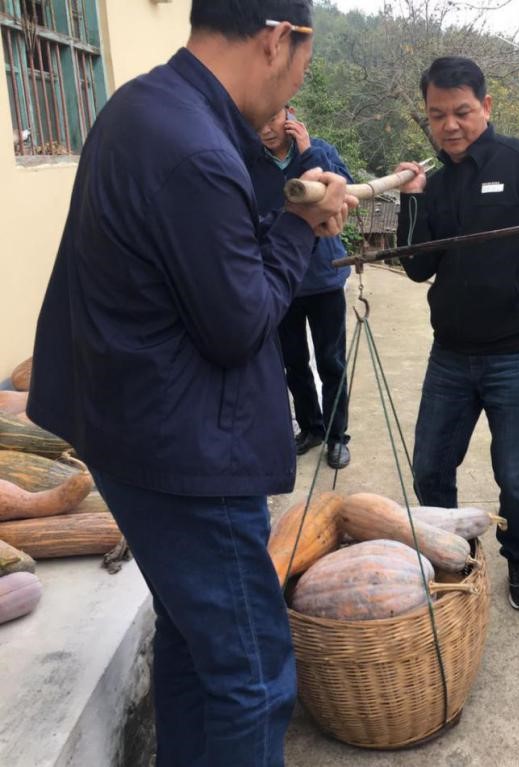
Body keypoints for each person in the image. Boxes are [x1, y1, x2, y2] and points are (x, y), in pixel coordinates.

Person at [26, 2, 355, 764]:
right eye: (303, 65)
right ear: (278, 40)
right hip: (188, 451)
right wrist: (300, 227)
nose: (296, 87)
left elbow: (206, 247)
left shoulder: (142, 106)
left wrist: (284, 201)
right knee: (254, 675)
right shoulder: (196, 151)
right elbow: (240, 323)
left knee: (192, 639)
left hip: (133, 429)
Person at [394, 56, 519, 612]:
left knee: (517, 476)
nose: (450, 125)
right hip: (450, 356)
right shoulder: (435, 185)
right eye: (438, 114)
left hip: (517, 356)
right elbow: (417, 267)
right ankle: (452, 553)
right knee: (430, 467)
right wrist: (412, 198)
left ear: (485, 106)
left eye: (461, 111)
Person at [251, 105, 354, 470]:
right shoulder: (250, 162)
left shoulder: (319, 150)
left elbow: (343, 190)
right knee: (293, 362)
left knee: (331, 361)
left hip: (325, 276)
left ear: (290, 115)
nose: (266, 129)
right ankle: (311, 428)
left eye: (273, 118)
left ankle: (337, 436)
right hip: (281, 279)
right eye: (260, 122)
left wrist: (308, 152)